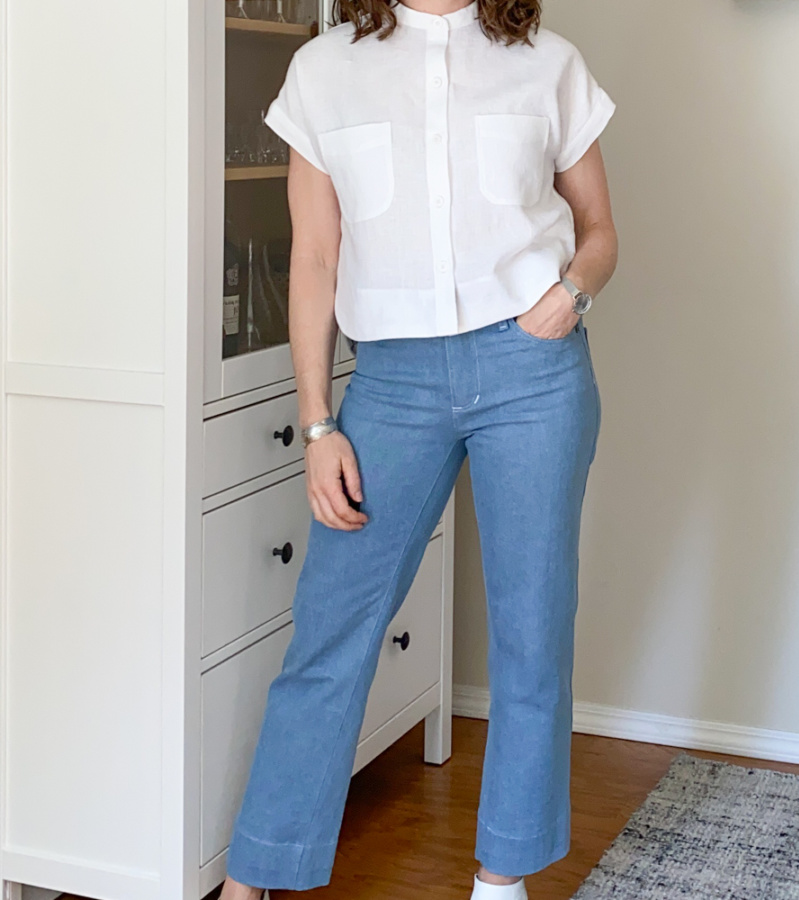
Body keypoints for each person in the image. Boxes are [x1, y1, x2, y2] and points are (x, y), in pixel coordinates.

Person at [221, 0, 617, 896]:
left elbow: (600, 231)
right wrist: (319, 425)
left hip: (533, 370)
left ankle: (501, 880)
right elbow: (315, 259)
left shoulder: (548, 63)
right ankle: (254, 878)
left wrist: (572, 295)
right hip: (392, 382)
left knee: (531, 632)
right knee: (331, 627)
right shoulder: (323, 71)